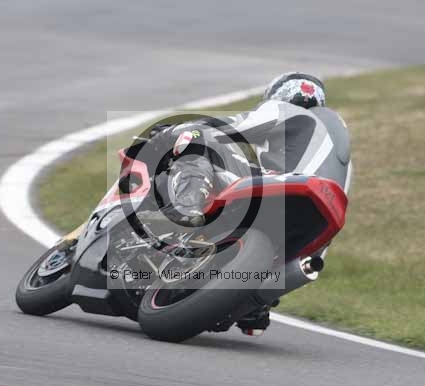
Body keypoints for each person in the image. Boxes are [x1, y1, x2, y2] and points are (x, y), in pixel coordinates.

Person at [146, 73, 353, 335]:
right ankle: (255, 304)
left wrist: (172, 131)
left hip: (279, 188)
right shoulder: (344, 161)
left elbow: (231, 127)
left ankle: (187, 209)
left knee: (200, 137)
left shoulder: (285, 110)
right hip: (315, 226)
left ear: (279, 94)